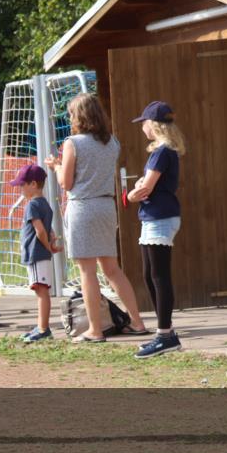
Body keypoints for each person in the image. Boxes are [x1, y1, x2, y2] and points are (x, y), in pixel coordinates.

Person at [45, 93, 147, 342]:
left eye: (71, 114)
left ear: (79, 116)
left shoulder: (73, 143)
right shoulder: (112, 142)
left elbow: (66, 183)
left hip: (83, 208)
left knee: (87, 271)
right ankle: (137, 321)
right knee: (112, 269)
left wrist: (56, 166)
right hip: (105, 206)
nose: (69, 118)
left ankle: (95, 330)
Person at [127, 101, 186, 358]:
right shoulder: (162, 152)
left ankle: (165, 335)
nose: (143, 128)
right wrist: (140, 186)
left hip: (160, 217)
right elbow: (146, 183)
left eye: (144, 123)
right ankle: (166, 332)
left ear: (155, 125)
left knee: (159, 277)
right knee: (150, 274)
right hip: (154, 218)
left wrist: (131, 195)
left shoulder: (162, 152)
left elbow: (145, 188)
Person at [9, 163, 61, 343]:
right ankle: (41, 325)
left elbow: (40, 231)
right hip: (39, 253)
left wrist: (47, 247)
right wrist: (52, 243)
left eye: (22, 185)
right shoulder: (45, 204)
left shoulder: (32, 205)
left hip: (36, 253)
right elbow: (50, 230)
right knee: (41, 290)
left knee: (41, 291)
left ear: (33, 184)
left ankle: (43, 328)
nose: (20, 189)